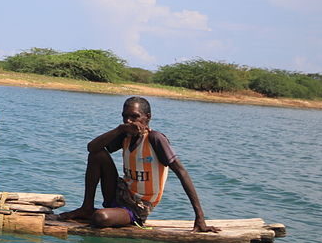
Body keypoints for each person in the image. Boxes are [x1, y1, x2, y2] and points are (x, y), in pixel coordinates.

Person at [58, 96, 219, 232]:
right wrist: (119, 130)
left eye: (134, 117)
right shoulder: (125, 135)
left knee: (100, 217)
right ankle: (86, 207)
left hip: (138, 207)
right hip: (119, 193)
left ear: (147, 117)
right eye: (125, 117)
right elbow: (91, 148)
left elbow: (182, 173)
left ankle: (110, 214)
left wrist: (199, 218)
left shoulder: (155, 139)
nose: (129, 121)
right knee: (97, 154)